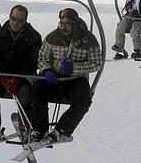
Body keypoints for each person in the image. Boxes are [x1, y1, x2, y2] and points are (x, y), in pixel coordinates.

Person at [31, 8, 103, 143]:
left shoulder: (87, 40)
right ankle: (39, 129)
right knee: (38, 90)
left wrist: (75, 68)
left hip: (76, 78)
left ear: (75, 24)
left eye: (67, 24)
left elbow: (97, 63)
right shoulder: (52, 37)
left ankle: (62, 129)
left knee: (84, 101)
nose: (63, 27)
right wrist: (46, 70)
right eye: (61, 23)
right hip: (55, 76)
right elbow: (42, 56)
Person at [0, 5, 42, 146]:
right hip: (2, 73)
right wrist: (3, 74)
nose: (15, 23)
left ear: (25, 21)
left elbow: (33, 62)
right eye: (13, 19)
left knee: (25, 93)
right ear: (9, 17)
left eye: (20, 21)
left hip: (23, 75)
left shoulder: (33, 37)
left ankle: (25, 127)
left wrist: (18, 77)